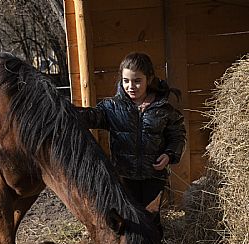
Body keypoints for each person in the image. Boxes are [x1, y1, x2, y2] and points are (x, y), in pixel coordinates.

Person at [74, 52, 186, 213]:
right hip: (124, 177)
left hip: (154, 176)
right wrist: (67, 111)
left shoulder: (163, 108)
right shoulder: (112, 107)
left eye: (137, 81)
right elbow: (91, 116)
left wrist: (169, 154)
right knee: (130, 220)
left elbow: (177, 135)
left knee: (151, 220)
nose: (131, 86)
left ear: (149, 79)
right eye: (126, 81)